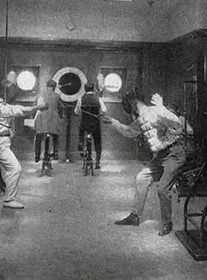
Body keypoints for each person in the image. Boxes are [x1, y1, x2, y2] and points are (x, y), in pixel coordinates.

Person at [100, 90, 185, 236]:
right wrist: (112, 122)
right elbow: (129, 132)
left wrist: (162, 107)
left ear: (133, 104)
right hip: (161, 155)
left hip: (174, 154)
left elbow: (178, 125)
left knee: (162, 189)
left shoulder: (156, 111)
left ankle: (167, 223)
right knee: (142, 178)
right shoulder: (141, 119)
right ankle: (134, 216)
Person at [0, 81, 46, 209]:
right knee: (15, 169)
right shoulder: (5, 108)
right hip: (0, 144)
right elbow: (25, 110)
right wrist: (38, 107)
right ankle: (9, 199)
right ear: (5, 96)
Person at [74, 83, 106, 169]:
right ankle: (98, 162)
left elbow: (76, 111)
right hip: (95, 124)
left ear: (85, 89)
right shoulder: (98, 99)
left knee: (81, 133)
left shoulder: (81, 99)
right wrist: (100, 114)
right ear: (93, 89)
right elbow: (104, 110)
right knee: (97, 142)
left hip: (85, 124)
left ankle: (81, 144)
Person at [34, 79, 65, 162]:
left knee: (38, 138)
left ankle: (37, 156)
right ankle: (55, 154)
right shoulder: (57, 96)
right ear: (54, 88)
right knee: (55, 137)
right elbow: (62, 107)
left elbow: (35, 107)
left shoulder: (40, 95)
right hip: (53, 120)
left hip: (41, 120)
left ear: (47, 86)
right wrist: (61, 116)